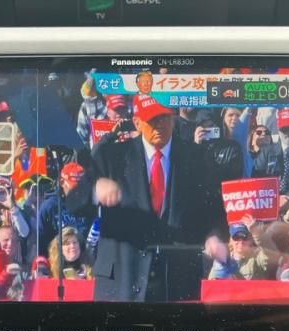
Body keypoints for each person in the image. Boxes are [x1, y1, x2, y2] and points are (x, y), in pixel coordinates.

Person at [66, 95, 207, 302]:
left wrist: (214, 235)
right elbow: (73, 202)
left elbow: (210, 209)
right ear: (137, 122)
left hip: (175, 281)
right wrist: (95, 189)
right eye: (152, 120)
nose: (160, 125)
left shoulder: (195, 157)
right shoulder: (111, 156)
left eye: (165, 118)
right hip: (122, 278)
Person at [37, 162, 94, 256]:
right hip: (56, 259)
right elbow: (41, 241)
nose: (78, 192)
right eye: (74, 187)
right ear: (62, 182)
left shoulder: (90, 206)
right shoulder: (49, 207)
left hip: (84, 259)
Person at [226, 215, 278, 280]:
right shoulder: (223, 259)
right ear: (231, 241)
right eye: (236, 237)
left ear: (251, 240)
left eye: (244, 237)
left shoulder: (257, 258)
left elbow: (271, 252)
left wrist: (256, 232)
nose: (241, 241)